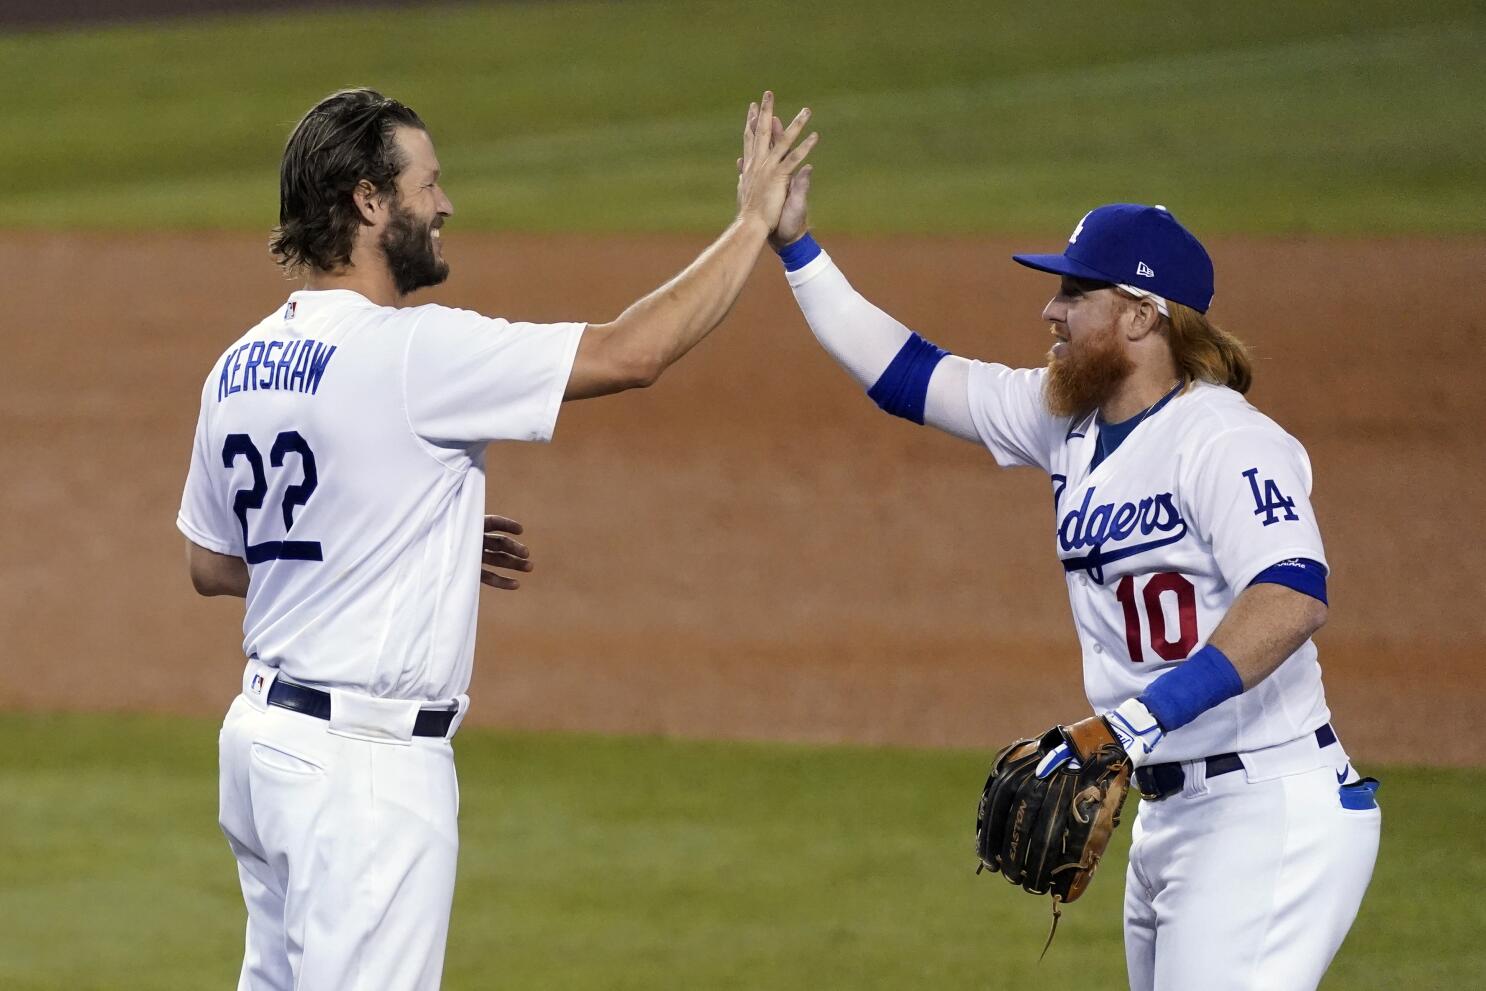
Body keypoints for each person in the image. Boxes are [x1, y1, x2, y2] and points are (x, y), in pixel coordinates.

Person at [178, 87, 815, 991]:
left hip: (264, 751)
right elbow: (632, 352)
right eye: (427, 184)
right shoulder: (412, 351)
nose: (444, 205)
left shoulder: (237, 364)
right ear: (368, 200)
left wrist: (380, 541)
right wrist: (754, 221)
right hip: (363, 775)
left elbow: (209, 563)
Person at [767, 178, 1379, 989]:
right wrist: (796, 248)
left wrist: (1136, 719)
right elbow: (909, 375)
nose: (1050, 313)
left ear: (1140, 313)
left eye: (1072, 292)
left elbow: (1292, 595)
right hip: (1167, 816)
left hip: (1266, 808)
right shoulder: (1066, 419)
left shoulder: (1225, 439)